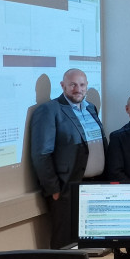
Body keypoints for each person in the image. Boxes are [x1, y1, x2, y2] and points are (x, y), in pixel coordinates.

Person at [30, 68, 107, 248]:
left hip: (96, 187)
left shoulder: (90, 108)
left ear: (87, 86)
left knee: (95, 246)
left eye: (81, 85)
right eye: (72, 85)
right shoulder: (49, 110)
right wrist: (54, 190)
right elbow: (41, 153)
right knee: (67, 246)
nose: (77, 89)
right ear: (63, 85)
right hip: (68, 190)